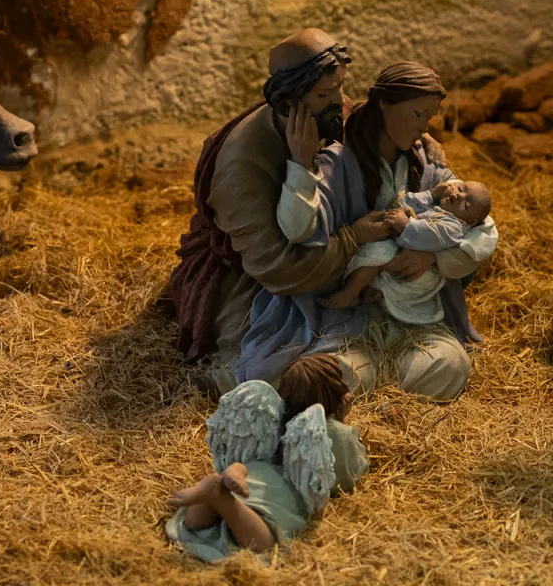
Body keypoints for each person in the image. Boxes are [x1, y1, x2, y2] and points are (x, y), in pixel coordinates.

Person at [168, 30, 406, 397]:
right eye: (325, 95)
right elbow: (281, 270)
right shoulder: (241, 167)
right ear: (288, 103)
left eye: (341, 88)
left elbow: (375, 129)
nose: (340, 102)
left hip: (328, 254)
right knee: (276, 359)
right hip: (255, 278)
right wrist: (354, 236)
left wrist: (421, 146)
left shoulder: (326, 115)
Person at [241, 62, 498, 399]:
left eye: (429, 118)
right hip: (351, 318)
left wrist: (433, 256)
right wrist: (301, 165)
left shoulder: (426, 164)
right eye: (419, 114)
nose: (424, 127)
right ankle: (367, 377)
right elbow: (297, 230)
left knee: (448, 366)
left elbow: (482, 225)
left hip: (414, 317)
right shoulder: (339, 161)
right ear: (385, 104)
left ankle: (393, 384)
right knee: (340, 375)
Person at [165, 354, 367, 563]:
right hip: (279, 493)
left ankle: (228, 476)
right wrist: (341, 421)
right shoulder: (330, 433)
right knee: (263, 543)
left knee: (193, 527)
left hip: (253, 472)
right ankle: (219, 495)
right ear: (337, 390)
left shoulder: (269, 413)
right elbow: (344, 478)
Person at [312, 179, 493, 323]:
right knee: (379, 255)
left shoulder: (454, 226)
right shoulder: (438, 207)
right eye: (460, 188)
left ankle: (350, 292)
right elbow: (405, 201)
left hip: (417, 270)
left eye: (466, 205)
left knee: (379, 252)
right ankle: (369, 289)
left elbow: (430, 236)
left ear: (471, 221)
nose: (459, 196)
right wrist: (430, 194)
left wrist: (406, 225)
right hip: (402, 250)